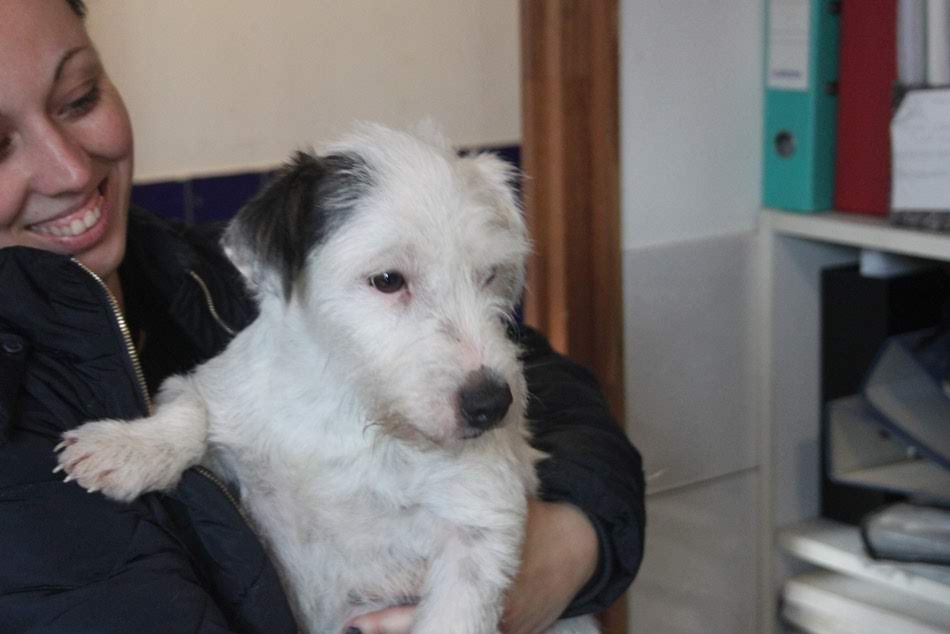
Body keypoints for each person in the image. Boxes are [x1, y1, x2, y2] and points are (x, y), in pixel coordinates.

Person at [0, 1, 645, 633]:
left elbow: (563, 406)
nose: (70, 171)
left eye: (80, 98)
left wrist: (573, 541)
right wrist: (167, 440)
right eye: (390, 281)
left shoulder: (199, 272)